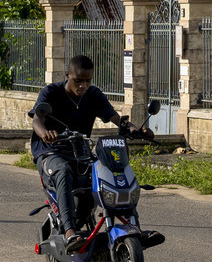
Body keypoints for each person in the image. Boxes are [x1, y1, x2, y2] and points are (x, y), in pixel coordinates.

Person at [30, 55, 149, 250]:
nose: (83, 86)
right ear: (67, 75)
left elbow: (115, 118)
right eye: (78, 81)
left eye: (88, 81)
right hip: (51, 152)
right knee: (63, 170)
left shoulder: (93, 94)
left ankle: (133, 225)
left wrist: (135, 130)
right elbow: (37, 121)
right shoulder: (51, 93)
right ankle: (70, 232)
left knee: (113, 171)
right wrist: (45, 134)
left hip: (81, 153)